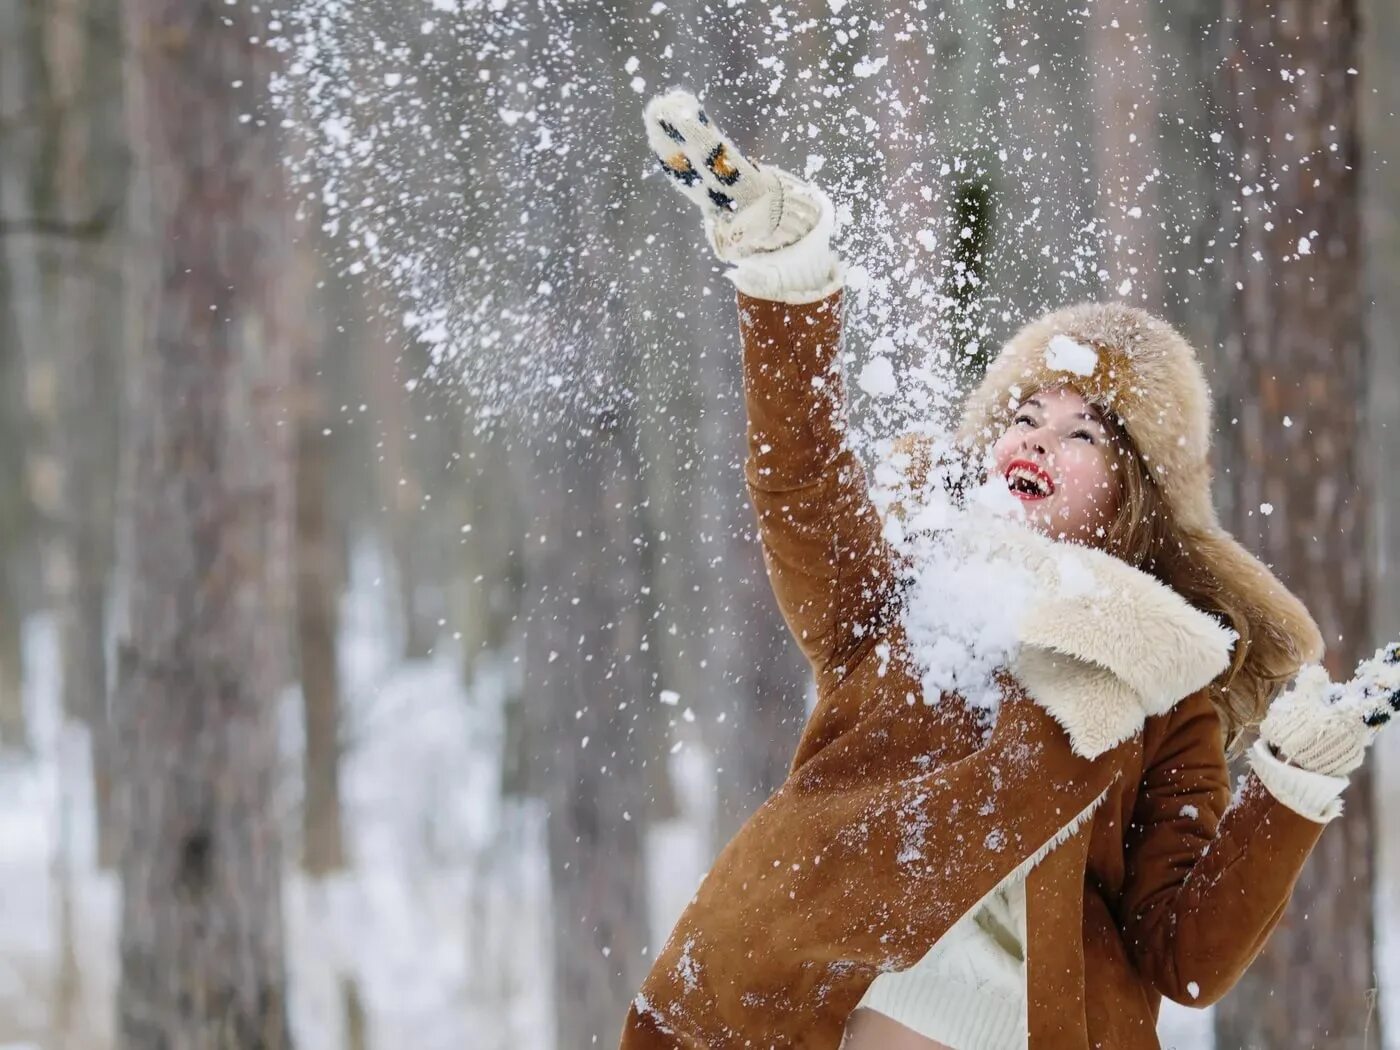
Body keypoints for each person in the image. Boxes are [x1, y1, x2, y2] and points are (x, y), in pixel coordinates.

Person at [618, 89, 1400, 1050]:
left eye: (1083, 434)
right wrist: (788, 282)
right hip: (829, 1004)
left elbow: (1184, 958)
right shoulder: (913, 596)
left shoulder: (1168, 696)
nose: (1038, 436)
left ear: (1129, 498)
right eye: (1024, 416)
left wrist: (1286, 790)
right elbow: (804, 482)